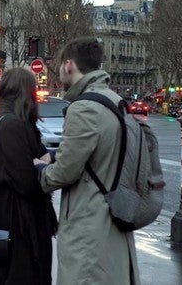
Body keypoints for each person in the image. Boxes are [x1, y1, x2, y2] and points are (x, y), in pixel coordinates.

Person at [35, 37, 140, 284]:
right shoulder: (114, 101)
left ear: (69, 65)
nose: (59, 70)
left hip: (90, 228)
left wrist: (40, 171)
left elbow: (65, 172)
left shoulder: (84, 107)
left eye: (60, 65)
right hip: (114, 219)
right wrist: (55, 154)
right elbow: (98, 152)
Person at [0, 67, 57, 284]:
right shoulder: (12, 125)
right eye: (33, 90)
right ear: (25, 93)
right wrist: (41, 166)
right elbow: (26, 181)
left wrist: (44, 159)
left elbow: (39, 156)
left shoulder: (11, 121)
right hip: (17, 223)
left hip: (10, 217)